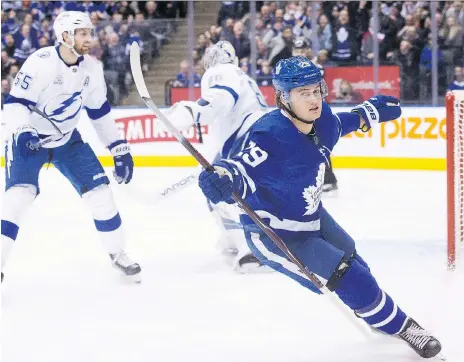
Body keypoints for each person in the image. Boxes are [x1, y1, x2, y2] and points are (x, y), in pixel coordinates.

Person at [197, 56, 442, 359]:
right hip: (278, 234)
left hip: (313, 215)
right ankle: (405, 326)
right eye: (303, 93)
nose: (314, 99)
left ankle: (374, 311)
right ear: (284, 97)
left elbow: (341, 124)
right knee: (350, 276)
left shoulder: (323, 118)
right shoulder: (269, 134)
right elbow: (241, 170)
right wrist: (223, 178)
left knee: (353, 257)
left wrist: (369, 113)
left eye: (316, 90)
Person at [1, 11, 141, 283]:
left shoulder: (92, 69)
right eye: (83, 33)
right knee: (17, 199)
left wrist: (118, 147)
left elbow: (99, 113)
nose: (91, 38)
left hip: (67, 140)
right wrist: (23, 132)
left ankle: (117, 253)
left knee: (101, 195)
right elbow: (15, 104)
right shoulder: (40, 63)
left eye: (90, 32)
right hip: (29, 141)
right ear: (65, 36)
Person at [164, 40, 270, 273]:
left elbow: (219, 99)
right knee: (216, 186)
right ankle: (235, 238)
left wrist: (192, 111)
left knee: (224, 191)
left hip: (248, 138)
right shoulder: (243, 76)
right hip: (257, 138)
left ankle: (253, 248)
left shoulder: (221, 72)